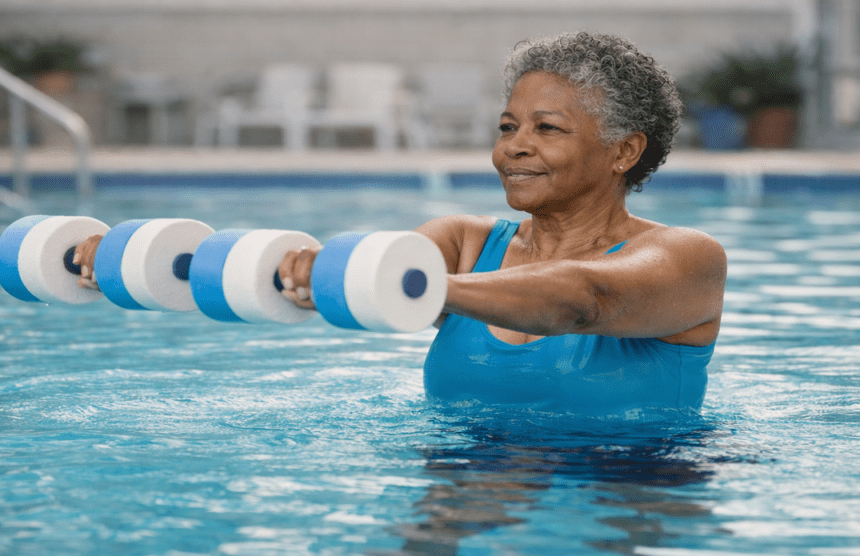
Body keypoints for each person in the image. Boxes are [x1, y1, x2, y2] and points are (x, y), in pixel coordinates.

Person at [278, 32, 726, 416]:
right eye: (508, 127)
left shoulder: (688, 257)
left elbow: (582, 298)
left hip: (628, 490)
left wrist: (426, 286)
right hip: (471, 487)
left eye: (547, 129)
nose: (515, 147)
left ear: (624, 151)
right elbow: (385, 264)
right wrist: (317, 275)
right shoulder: (464, 244)